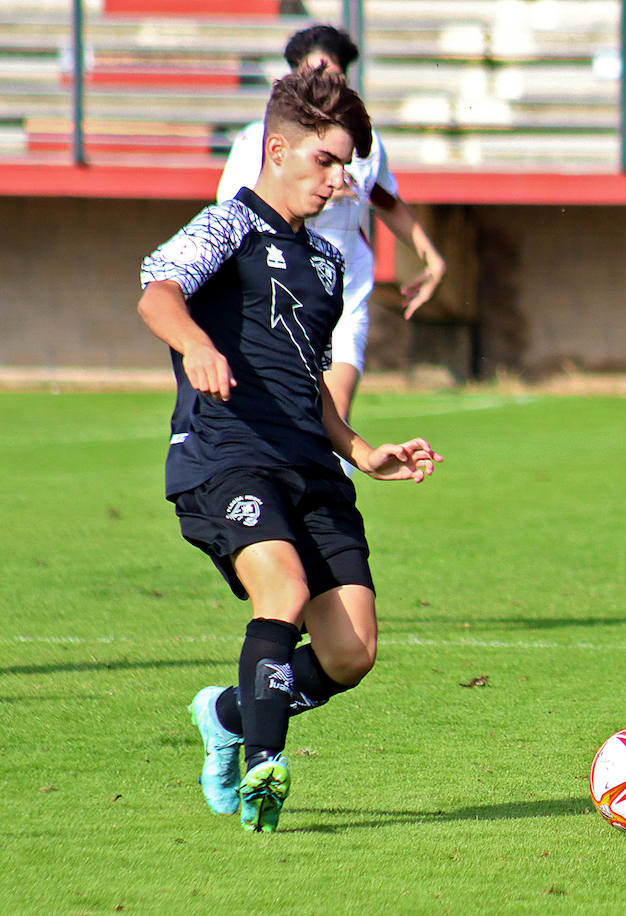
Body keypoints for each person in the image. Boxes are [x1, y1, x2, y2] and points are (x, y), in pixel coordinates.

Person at [139, 68, 442, 832]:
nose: (342, 180)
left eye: (348, 165)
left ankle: (232, 714)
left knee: (352, 651)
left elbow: (309, 382)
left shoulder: (330, 265)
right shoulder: (226, 226)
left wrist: (360, 450)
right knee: (284, 593)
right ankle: (265, 766)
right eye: (328, 161)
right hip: (227, 455)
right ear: (277, 150)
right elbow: (157, 291)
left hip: (310, 463)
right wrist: (197, 346)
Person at [218, 25, 447, 428]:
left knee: (332, 419)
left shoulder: (364, 145)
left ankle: (329, 483)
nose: (323, 85)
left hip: (344, 292)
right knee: (286, 420)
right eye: (313, 75)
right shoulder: (261, 140)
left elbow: (386, 202)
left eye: (333, 77)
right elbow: (234, 214)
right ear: (294, 79)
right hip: (279, 295)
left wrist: (432, 259)